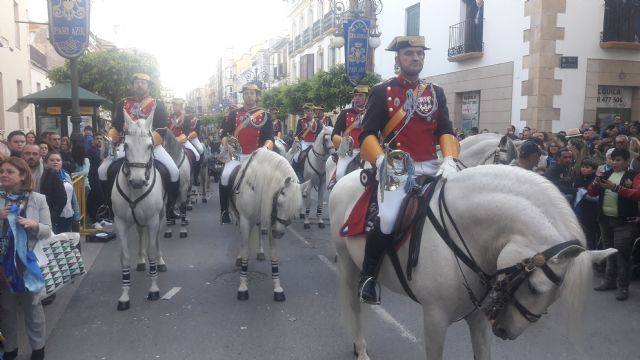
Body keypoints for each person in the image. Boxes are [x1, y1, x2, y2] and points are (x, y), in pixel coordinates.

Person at [357, 35, 459, 304]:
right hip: (397, 166)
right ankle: (368, 276)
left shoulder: (435, 92)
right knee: (389, 218)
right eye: (409, 54)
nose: (416, 58)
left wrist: (449, 159)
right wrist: (380, 161)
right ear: (398, 59)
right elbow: (366, 134)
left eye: (419, 53)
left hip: (433, 163)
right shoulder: (382, 91)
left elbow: (444, 130)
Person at [97, 73, 180, 217]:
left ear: (148, 86)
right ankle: (108, 206)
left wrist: (149, 141)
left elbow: (161, 128)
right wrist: (110, 138)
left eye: (143, 82)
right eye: (136, 82)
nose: (139, 85)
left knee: (174, 171)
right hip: (128, 145)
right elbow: (116, 126)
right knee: (102, 170)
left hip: (151, 145)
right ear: (133, 85)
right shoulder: (123, 103)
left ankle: (171, 207)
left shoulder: (157, 104)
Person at [0, 157, 51, 360]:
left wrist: (34, 225)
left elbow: (48, 230)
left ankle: (38, 348)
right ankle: (11, 348)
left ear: (22, 176)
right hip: (3, 262)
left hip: (27, 261)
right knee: (6, 307)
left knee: (32, 305)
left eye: (9, 171)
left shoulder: (37, 199)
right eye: (2, 171)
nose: (3, 174)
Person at [218, 83, 274, 224]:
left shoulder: (265, 115)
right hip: (236, 155)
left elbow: (270, 138)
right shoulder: (234, 114)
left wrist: (266, 149)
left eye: (252, 93)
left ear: (256, 96)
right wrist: (226, 142)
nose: (249, 96)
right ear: (242, 95)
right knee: (224, 176)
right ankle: (224, 210)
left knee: (269, 180)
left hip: (256, 156)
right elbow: (225, 134)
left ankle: (270, 211)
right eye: (246, 93)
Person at [589, 148, 638, 301]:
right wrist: (595, 184)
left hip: (623, 221)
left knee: (621, 254)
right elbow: (591, 193)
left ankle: (623, 286)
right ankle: (609, 281)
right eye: (612, 159)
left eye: (618, 160)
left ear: (626, 161)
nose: (614, 162)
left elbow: (637, 193)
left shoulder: (634, 175)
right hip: (605, 219)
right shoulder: (606, 174)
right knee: (608, 251)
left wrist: (615, 188)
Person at [20, 144, 67, 232]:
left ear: (40, 155)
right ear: (22, 155)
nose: (31, 156)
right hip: (20, 217)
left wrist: (51, 216)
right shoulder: (16, 172)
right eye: (27, 153)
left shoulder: (50, 173)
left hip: (44, 219)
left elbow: (62, 198)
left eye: (35, 154)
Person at [330, 85, 369, 187]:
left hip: (368, 151)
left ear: (367, 98)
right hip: (349, 151)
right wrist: (345, 143)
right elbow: (335, 134)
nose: (357, 98)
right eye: (355, 95)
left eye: (360, 95)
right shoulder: (345, 113)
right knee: (339, 174)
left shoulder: (371, 113)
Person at [45, 151, 79, 234]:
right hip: (52, 218)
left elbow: (73, 197)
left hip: (68, 215)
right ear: (46, 162)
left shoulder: (66, 175)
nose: (55, 162)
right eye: (52, 160)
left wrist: (77, 216)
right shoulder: (44, 177)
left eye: (58, 160)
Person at [292, 103, 322, 173]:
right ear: (305, 112)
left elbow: (319, 133)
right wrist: (297, 139)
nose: (310, 112)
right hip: (304, 143)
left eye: (311, 111)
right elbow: (298, 133)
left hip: (314, 143)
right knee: (296, 157)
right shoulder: (301, 121)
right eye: (308, 111)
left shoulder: (317, 121)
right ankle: (296, 172)